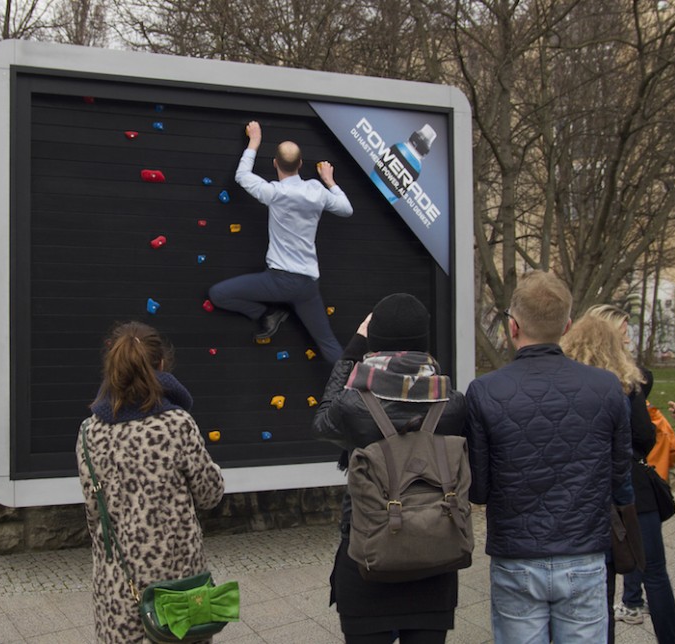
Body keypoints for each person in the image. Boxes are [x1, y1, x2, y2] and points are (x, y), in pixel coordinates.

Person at [464, 270, 633, 642]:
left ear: (513, 326)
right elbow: (620, 474)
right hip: (583, 553)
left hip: (517, 555)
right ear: (566, 326)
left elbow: (478, 489)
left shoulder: (485, 391)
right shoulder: (606, 386)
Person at [313, 293, 465, 643]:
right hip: (435, 559)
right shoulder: (453, 404)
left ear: (375, 341)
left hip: (366, 559)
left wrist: (352, 352)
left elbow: (322, 423)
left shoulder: (352, 404)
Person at [77, 321, 225, 643]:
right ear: (161, 364)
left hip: (116, 586)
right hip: (177, 585)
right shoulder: (176, 424)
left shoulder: (89, 432)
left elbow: (94, 512)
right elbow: (210, 494)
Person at [562, 313, 675, 643]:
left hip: (585, 490)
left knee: (600, 581)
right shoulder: (626, 383)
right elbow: (644, 436)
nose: (628, 339)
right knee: (654, 571)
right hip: (632, 486)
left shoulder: (569, 384)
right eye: (623, 333)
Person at [208, 120, 353, 362]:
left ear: (275, 163)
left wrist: (254, 141)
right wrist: (330, 181)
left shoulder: (274, 192)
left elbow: (242, 175)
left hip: (279, 281)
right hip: (308, 285)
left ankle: (266, 314)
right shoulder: (317, 190)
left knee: (218, 294)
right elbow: (346, 209)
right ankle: (355, 384)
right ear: (300, 164)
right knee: (328, 343)